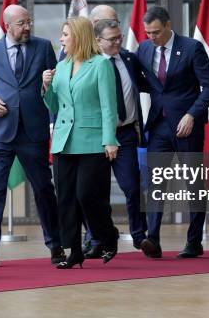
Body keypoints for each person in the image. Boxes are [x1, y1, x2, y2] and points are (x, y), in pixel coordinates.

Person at [0, 5, 64, 268]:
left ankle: (55, 245)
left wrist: (48, 84)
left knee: (44, 189)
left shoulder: (43, 47)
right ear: (8, 25)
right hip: (1, 130)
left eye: (29, 22)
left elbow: (55, 88)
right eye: (22, 23)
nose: (28, 27)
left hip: (33, 131)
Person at [135, 5, 209, 259]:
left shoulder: (191, 47)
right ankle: (153, 239)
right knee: (156, 182)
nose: (151, 37)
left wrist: (192, 114)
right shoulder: (144, 48)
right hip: (159, 125)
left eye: (156, 32)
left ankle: (194, 242)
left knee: (193, 183)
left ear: (168, 25)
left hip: (187, 127)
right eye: (148, 32)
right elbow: (143, 82)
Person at [42, 16, 119, 269]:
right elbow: (55, 107)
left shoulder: (101, 65)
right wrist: (46, 88)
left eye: (65, 34)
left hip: (93, 140)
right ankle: (74, 251)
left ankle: (108, 235)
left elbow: (109, 107)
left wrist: (110, 140)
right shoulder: (61, 66)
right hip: (64, 141)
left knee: (87, 195)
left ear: (79, 36)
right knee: (65, 199)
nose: (61, 39)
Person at [80, 18, 148, 259]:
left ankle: (140, 236)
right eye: (112, 39)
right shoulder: (88, 64)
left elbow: (146, 85)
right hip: (96, 136)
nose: (118, 42)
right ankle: (98, 238)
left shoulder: (129, 59)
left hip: (126, 134)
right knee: (93, 192)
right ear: (97, 41)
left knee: (132, 186)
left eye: (119, 37)